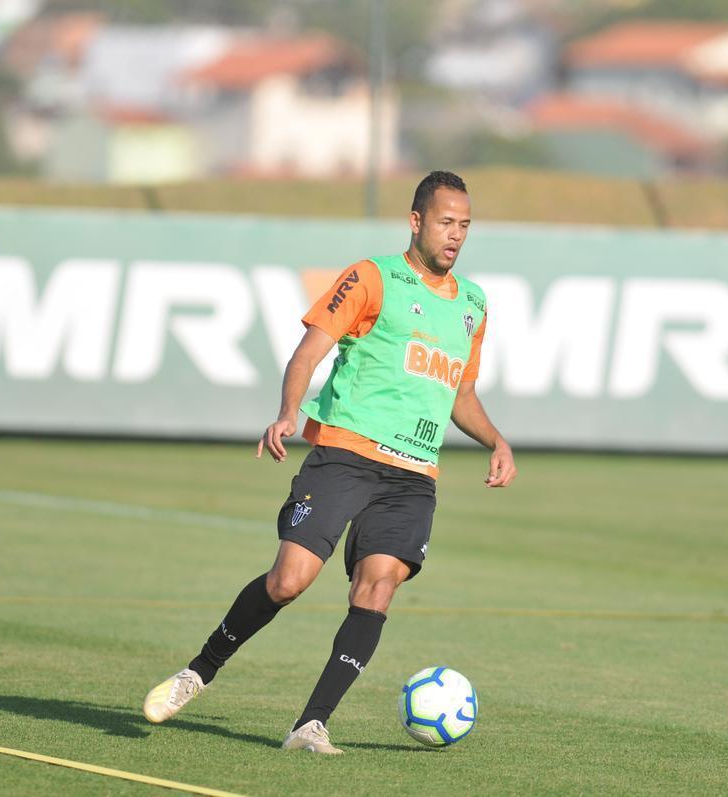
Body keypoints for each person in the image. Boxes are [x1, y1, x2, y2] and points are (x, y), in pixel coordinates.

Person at [142, 170, 516, 754]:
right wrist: (288, 412)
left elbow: (461, 395)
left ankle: (310, 725)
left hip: (414, 475)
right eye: (446, 222)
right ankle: (199, 671)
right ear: (416, 221)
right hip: (344, 456)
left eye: (465, 225)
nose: (456, 235)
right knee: (289, 581)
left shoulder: (473, 303)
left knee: (378, 589)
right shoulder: (372, 277)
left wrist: (496, 440)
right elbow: (310, 349)